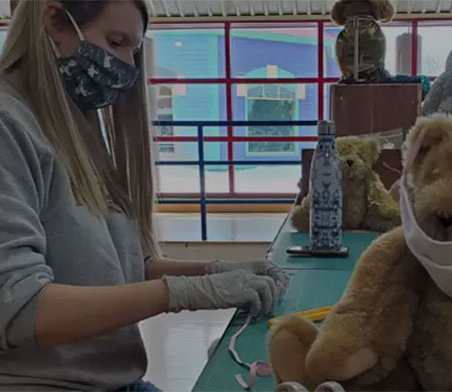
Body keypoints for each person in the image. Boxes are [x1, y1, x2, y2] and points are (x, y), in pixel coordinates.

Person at [0, 1, 289, 390]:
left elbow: (119, 267)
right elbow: (21, 310)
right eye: (116, 42)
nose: (128, 68)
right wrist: (182, 293)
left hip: (118, 382)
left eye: (133, 52)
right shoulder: (8, 128)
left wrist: (216, 271)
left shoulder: (73, 126)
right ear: (54, 22)